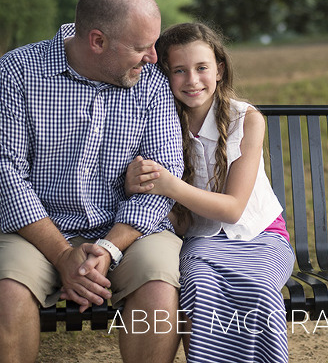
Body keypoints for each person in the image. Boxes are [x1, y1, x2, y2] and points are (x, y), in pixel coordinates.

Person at [0, 0, 185, 363]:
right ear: (98, 41)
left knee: (158, 287)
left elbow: (163, 176)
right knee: (7, 293)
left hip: (128, 233)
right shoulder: (18, 72)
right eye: (141, 47)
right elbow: (5, 178)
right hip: (33, 232)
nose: (154, 57)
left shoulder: (150, 84)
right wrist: (63, 255)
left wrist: (106, 247)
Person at [125, 22, 295, 363]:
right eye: (179, 71)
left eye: (202, 68)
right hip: (201, 240)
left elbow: (233, 210)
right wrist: (136, 185)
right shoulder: (162, 124)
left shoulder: (245, 119)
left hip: (260, 237)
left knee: (259, 289)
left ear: (219, 69)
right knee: (198, 285)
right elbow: (175, 216)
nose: (192, 80)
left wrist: (170, 185)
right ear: (164, 76)